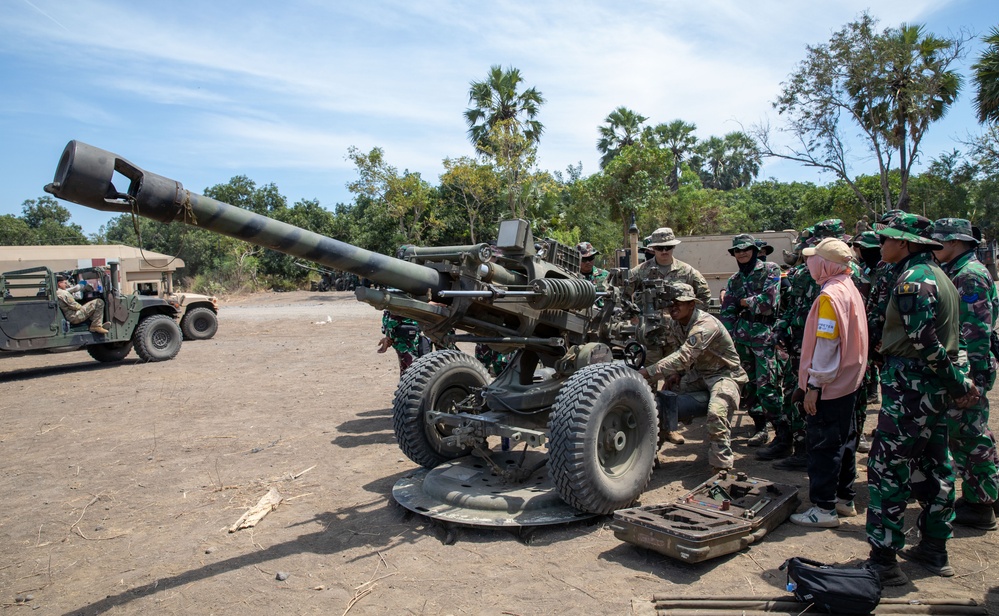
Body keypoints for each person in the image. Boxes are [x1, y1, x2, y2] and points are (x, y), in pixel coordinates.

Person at [865, 213, 980, 586]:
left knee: (887, 468)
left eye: (885, 239)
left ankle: (883, 559)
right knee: (935, 465)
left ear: (903, 242)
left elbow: (925, 343)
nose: (880, 245)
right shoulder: (938, 275)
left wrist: (958, 383)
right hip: (929, 389)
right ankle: (934, 548)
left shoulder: (914, 281)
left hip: (911, 387)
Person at [789, 238, 868, 528]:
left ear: (824, 264)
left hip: (830, 385)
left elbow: (826, 344)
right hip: (848, 382)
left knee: (823, 446)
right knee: (844, 442)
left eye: (813, 258)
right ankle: (844, 499)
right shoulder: (849, 288)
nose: (808, 263)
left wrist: (814, 386)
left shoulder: (829, 296)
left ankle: (823, 509)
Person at [932, 218, 999, 530]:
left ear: (955, 242)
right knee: (966, 435)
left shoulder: (969, 275)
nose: (935, 246)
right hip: (964, 367)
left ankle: (981, 504)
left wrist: (967, 379)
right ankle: (981, 494)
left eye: (940, 241)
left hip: (968, 368)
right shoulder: (957, 271)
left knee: (971, 436)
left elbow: (975, 332)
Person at [640, 283, 749, 471]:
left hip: (724, 375)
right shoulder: (677, 325)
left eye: (678, 304)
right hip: (698, 374)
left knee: (717, 412)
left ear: (691, 304)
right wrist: (676, 374)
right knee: (661, 403)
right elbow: (679, 354)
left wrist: (647, 372)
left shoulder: (705, 325)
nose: (673, 308)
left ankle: (720, 467)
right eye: (670, 304)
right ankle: (649, 456)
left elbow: (684, 356)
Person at [719, 234, 782, 447]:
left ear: (754, 250)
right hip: (742, 340)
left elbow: (769, 302)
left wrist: (744, 302)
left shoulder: (770, 270)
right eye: (738, 250)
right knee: (749, 387)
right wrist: (726, 340)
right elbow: (727, 310)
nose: (742, 253)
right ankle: (760, 428)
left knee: (768, 386)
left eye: (746, 249)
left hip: (765, 338)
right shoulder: (734, 280)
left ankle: (783, 434)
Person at [629, 227, 711, 308]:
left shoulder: (687, 271)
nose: (664, 251)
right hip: (648, 320)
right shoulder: (640, 271)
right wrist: (633, 315)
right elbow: (622, 293)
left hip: (678, 320)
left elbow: (704, 295)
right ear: (653, 248)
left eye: (668, 247)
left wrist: (691, 316)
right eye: (660, 248)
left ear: (674, 246)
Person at [377, 311, 426, 376]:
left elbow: (394, 317)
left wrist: (388, 336)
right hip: (402, 340)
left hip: (408, 340)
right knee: (408, 369)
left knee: (414, 369)